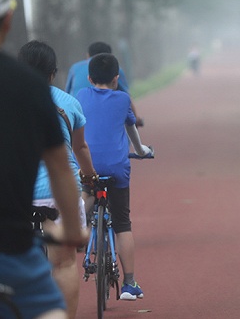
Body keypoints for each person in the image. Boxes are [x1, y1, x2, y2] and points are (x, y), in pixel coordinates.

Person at [0, 0, 87, 318]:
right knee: (53, 300)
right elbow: (61, 168)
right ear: (9, 20)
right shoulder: (30, 88)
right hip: (9, 243)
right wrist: (72, 227)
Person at [17, 40, 98, 319]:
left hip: (16, 194)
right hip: (59, 192)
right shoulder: (68, 102)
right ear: (53, 73)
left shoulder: (3, 100)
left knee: (11, 265)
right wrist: (90, 175)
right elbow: (80, 149)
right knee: (63, 265)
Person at [76, 52, 152, 301]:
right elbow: (132, 133)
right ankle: (129, 283)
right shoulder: (123, 99)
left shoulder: (81, 96)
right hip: (117, 169)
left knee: (87, 191)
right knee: (122, 223)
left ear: (89, 78)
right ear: (116, 78)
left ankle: (79, 219)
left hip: (89, 165)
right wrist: (142, 152)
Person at [65, 41, 143, 126]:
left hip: (73, 117)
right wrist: (136, 120)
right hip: (104, 116)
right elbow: (128, 97)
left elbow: (67, 93)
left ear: (88, 55)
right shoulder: (115, 69)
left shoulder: (74, 68)